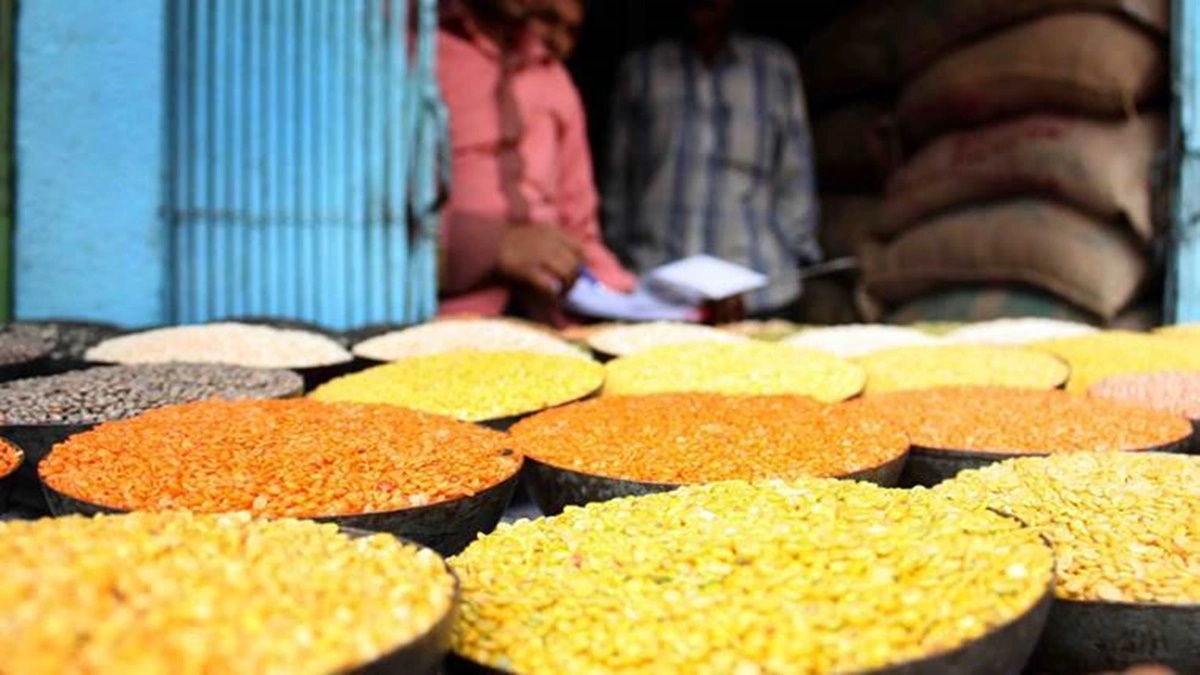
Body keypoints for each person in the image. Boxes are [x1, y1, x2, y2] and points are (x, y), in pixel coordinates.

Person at [604, 0, 822, 320]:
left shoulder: (775, 69)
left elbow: (796, 179)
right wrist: (623, 270)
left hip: (758, 294)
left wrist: (780, 263)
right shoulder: (640, 72)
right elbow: (617, 186)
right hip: (656, 294)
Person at [436, 0, 635, 325]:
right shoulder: (412, 54)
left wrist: (663, 304)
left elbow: (580, 233)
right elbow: (371, 230)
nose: (560, 38)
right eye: (549, 20)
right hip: (442, 327)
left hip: (550, 321)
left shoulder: (554, 79)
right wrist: (492, 247)